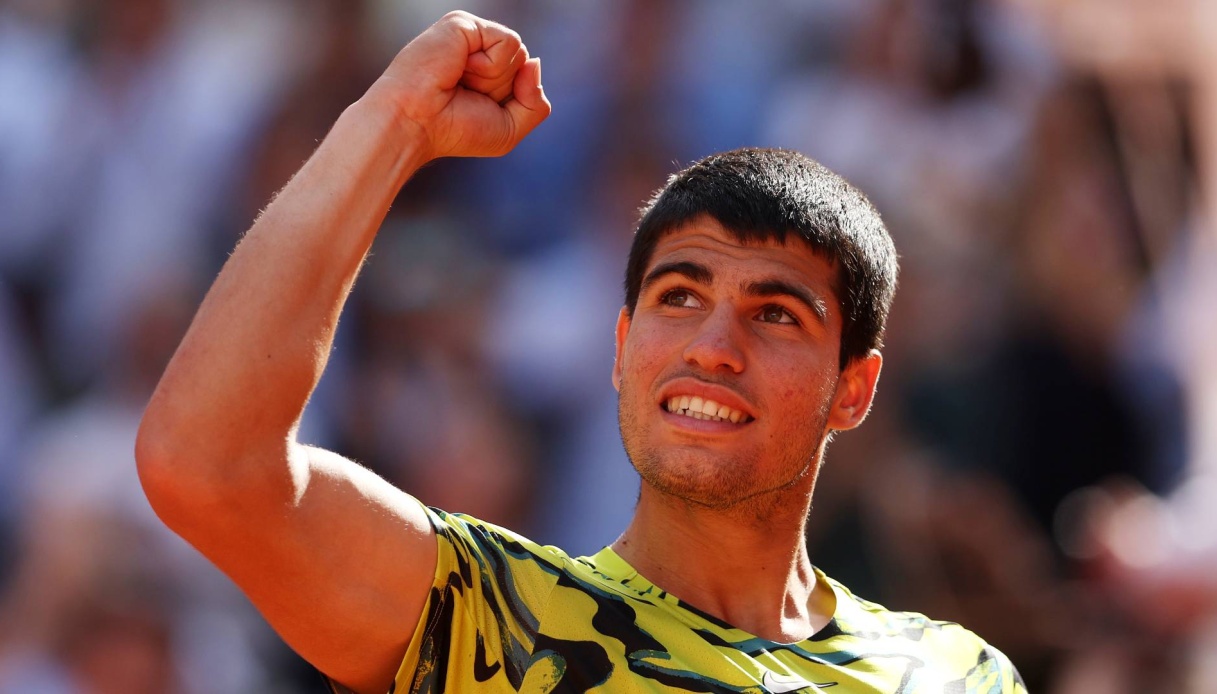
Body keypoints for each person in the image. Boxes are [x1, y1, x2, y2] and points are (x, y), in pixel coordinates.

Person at [135, 11, 1026, 694]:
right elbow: (207, 464)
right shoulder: (497, 617)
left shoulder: (955, 673)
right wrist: (392, 125)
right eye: (679, 299)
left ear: (853, 389)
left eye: (776, 315)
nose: (713, 347)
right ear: (622, 348)